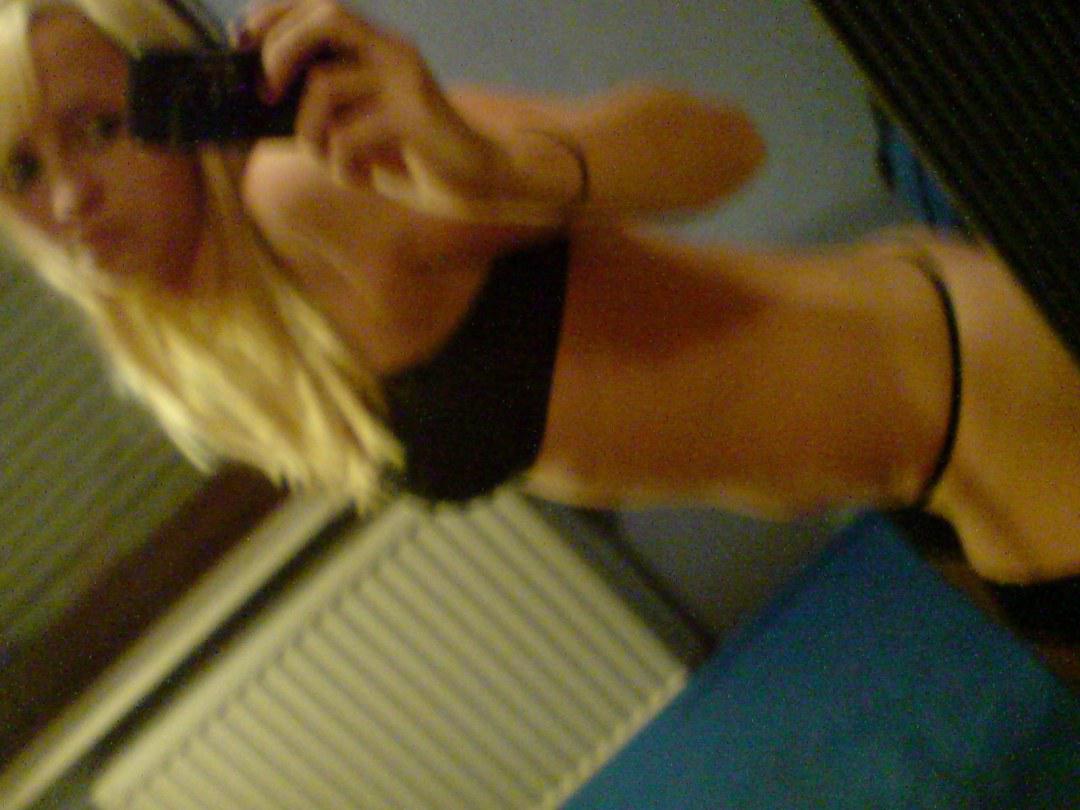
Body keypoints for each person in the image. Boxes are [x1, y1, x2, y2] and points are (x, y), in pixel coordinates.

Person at [0, 0, 1076, 588]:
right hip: (917, 477)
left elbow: (719, 147)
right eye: (21, 170)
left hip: (983, 393)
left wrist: (491, 171)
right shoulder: (206, 344)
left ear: (171, 87)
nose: (70, 196)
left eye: (99, 127)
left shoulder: (304, 195)